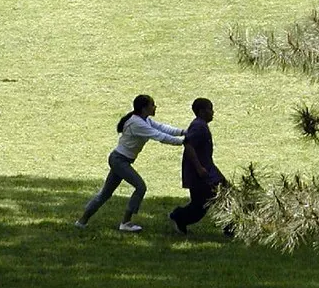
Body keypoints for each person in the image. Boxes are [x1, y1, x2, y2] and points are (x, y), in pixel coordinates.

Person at [76, 94, 185, 232]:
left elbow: (163, 128)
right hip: (119, 160)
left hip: (120, 160)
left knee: (105, 194)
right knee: (140, 187)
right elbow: (159, 136)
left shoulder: (145, 120)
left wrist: (183, 132)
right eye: (152, 104)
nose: (155, 107)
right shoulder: (137, 123)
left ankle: (81, 222)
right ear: (144, 108)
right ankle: (126, 223)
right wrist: (183, 142)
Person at [169, 98, 227, 235]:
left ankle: (231, 227)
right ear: (202, 111)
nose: (213, 112)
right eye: (210, 109)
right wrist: (199, 168)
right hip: (200, 174)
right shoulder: (198, 126)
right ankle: (178, 216)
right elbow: (188, 144)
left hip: (208, 170)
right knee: (200, 206)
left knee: (224, 194)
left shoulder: (200, 125)